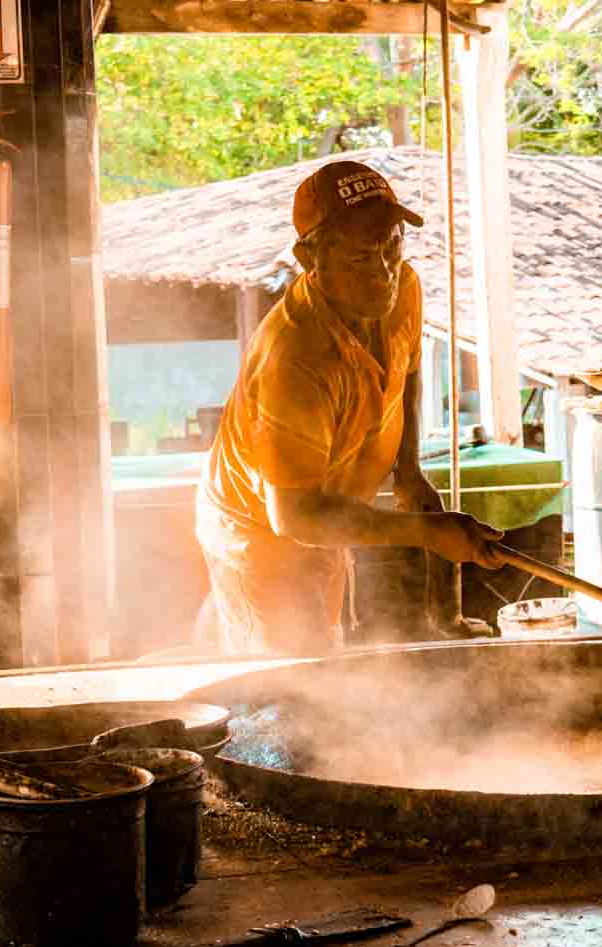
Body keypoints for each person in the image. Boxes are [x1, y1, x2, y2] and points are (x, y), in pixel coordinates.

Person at [194, 160, 504, 655]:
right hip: (260, 527)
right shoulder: (294, 357)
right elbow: (294, 518)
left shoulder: (404, 287)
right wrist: (425, 531)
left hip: (328, 501)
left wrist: (408, 472)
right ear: (308, 257)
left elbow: (406, 371)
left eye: (392, 246)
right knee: (291, 681)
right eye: (361, 259)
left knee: (325, 651)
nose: (383, 273)